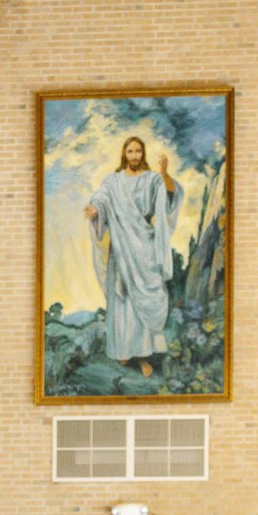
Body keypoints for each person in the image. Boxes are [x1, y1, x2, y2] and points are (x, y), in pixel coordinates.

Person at [86, 135, 180, 374]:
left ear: (143, 154)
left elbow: (170, 194)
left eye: (139, 151)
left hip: (144, 249)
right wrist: (95, 208)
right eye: (131, 151)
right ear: (124, 154)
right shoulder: (114, 182)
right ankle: (124, 352)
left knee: (144, 301)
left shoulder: (151, 179)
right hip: (122, 250)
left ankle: (143, 355)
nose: (135, 155)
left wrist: (165, 173)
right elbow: (102, 197)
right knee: (124, 300)